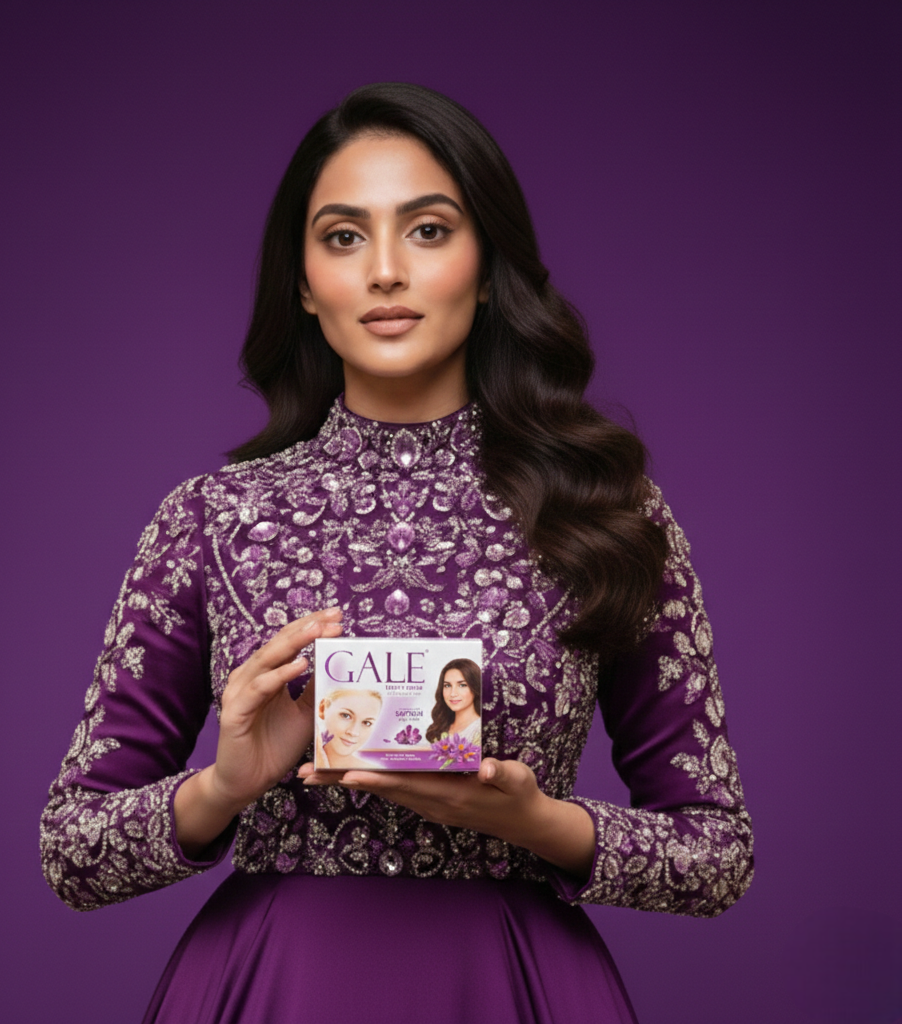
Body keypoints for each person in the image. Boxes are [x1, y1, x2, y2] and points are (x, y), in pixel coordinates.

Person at [41, 82, 753, 1023]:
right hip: (272, 984)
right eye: (343, 236)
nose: (384, 271)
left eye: (426, 230)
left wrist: (537, 824)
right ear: (302, 281)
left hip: (514, 982)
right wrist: (222, 786)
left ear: (488, 265)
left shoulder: (610, 511)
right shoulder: (212, 518)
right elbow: (71, 852)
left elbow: (717, 855)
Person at [315, 687, 383, 768]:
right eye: (346, 716)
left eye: (367, 723)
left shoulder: (376, 773)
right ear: (322, 709)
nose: (354, 732)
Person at [425, 658, 482, 745]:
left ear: (475, 687)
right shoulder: (440, 728)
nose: (453, 693)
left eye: (462, 685)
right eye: (447, 685)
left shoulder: (482, 730)